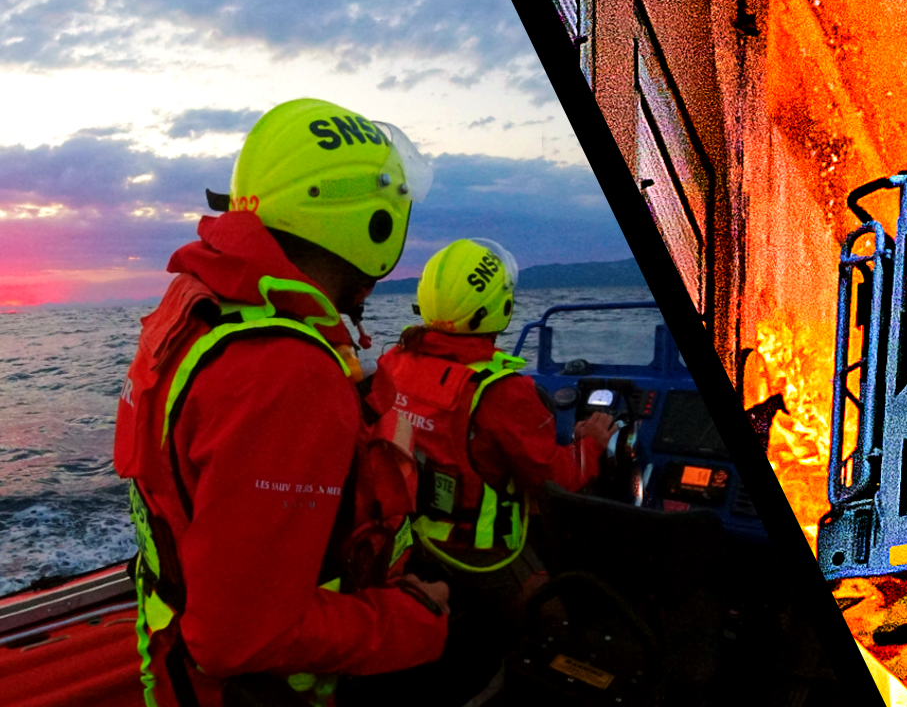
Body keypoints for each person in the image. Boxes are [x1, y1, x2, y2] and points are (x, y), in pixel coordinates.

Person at [113, 98, 449, 707]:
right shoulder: (288, 375)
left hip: (177, 671)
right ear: (373, 227)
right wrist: (410, 620)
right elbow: (237, 638)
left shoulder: (202, 310)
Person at [347, 238, 617, 706]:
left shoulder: (396, 362)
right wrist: (591, 441)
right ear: (501, 305)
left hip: (413, 541)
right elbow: (557, 478)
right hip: (483, 554)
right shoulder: (502, 391)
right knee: (557, 625)